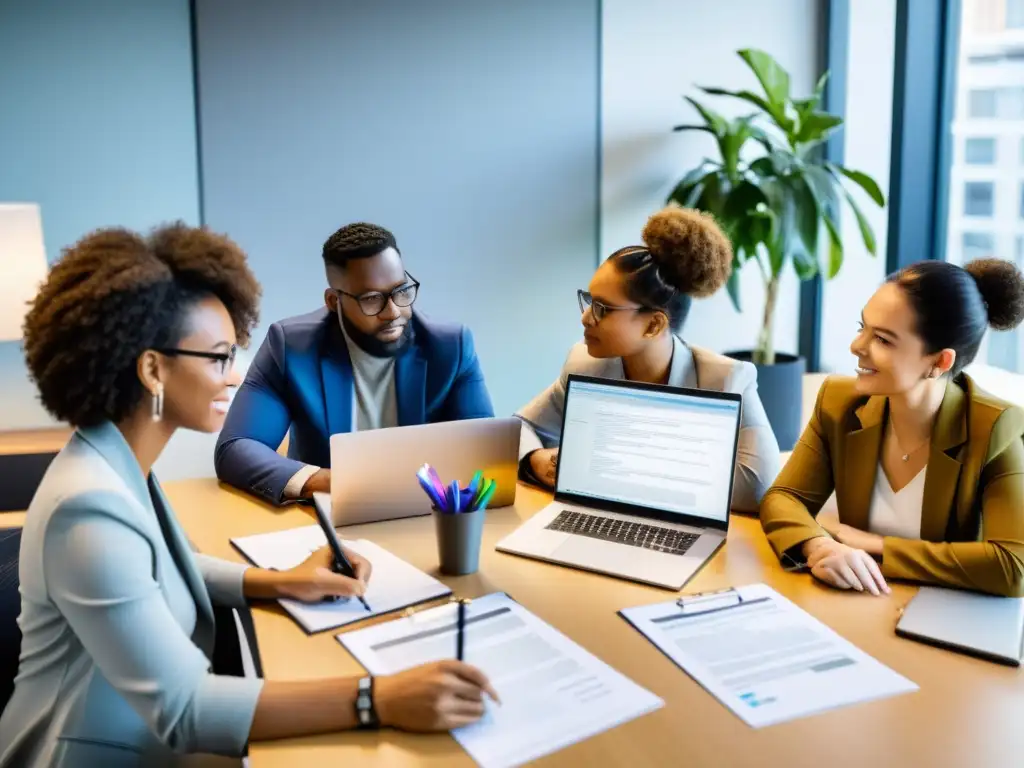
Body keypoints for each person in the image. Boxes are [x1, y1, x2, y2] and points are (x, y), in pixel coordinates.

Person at [0, 224, 498, 767]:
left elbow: (169, 564)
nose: (235, 376)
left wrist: (283, 583)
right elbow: (186, 708)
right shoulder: (87, 507)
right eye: (218, 356)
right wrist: (378, 696)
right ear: (152, 370)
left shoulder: (112, 461)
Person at [760, 259, 1024, 598]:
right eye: (862, 327)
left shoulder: (996, 428)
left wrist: (877, 547)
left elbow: (1013, 564)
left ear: (939, 362)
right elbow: (784, 497)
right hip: (857, 600)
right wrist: (818, 546)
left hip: (940, 616)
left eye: (883, 340)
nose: (857, 346)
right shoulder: (839, 402)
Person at [516, 207, 781, 513]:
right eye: (589, 301)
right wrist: (537, 461)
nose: (586, 318)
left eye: (602, 307)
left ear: (654, 325)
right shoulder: (584, 364)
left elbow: (761, 486)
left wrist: (607, 469)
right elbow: (519, 429)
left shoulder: (726, 379)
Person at [215, 223, 494, 505]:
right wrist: (330, 482)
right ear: (334, 301)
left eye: (401, 290)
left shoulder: (450, 346)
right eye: (372, 299)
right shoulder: (292, 348)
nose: (393, 311)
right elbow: (236, 448)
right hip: (328, 519)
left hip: (431, 513)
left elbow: (487, 451)